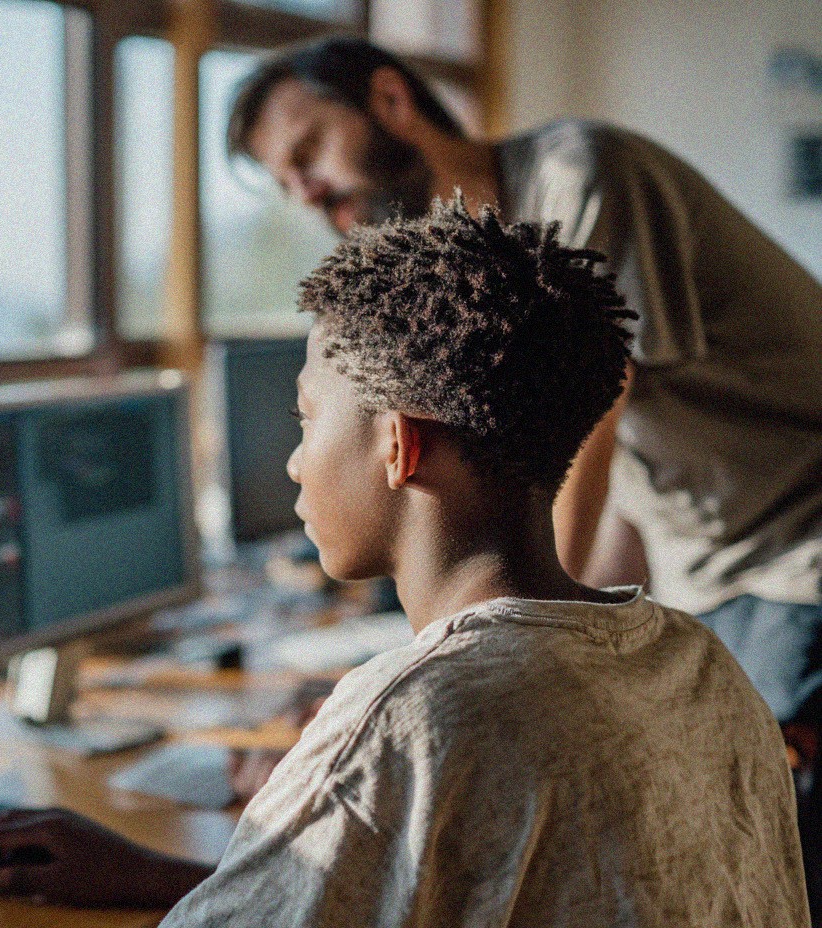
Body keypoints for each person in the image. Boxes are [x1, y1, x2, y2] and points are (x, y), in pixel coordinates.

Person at [0, 203, 807, 927]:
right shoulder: (694, 660)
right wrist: (164, 879)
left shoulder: (413, 715)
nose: (287, 458)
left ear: (394, 444)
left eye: (303, 415)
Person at [227, 35, 822, 907]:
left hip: (801, 537)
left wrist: (453, 668)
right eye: (284, 182)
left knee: (741, 842)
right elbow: (587, 489)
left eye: (307, 151)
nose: (305, 192)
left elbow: (567, 455)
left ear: (391, 101)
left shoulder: (579, 175)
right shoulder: (480, 263)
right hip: (709, 550)